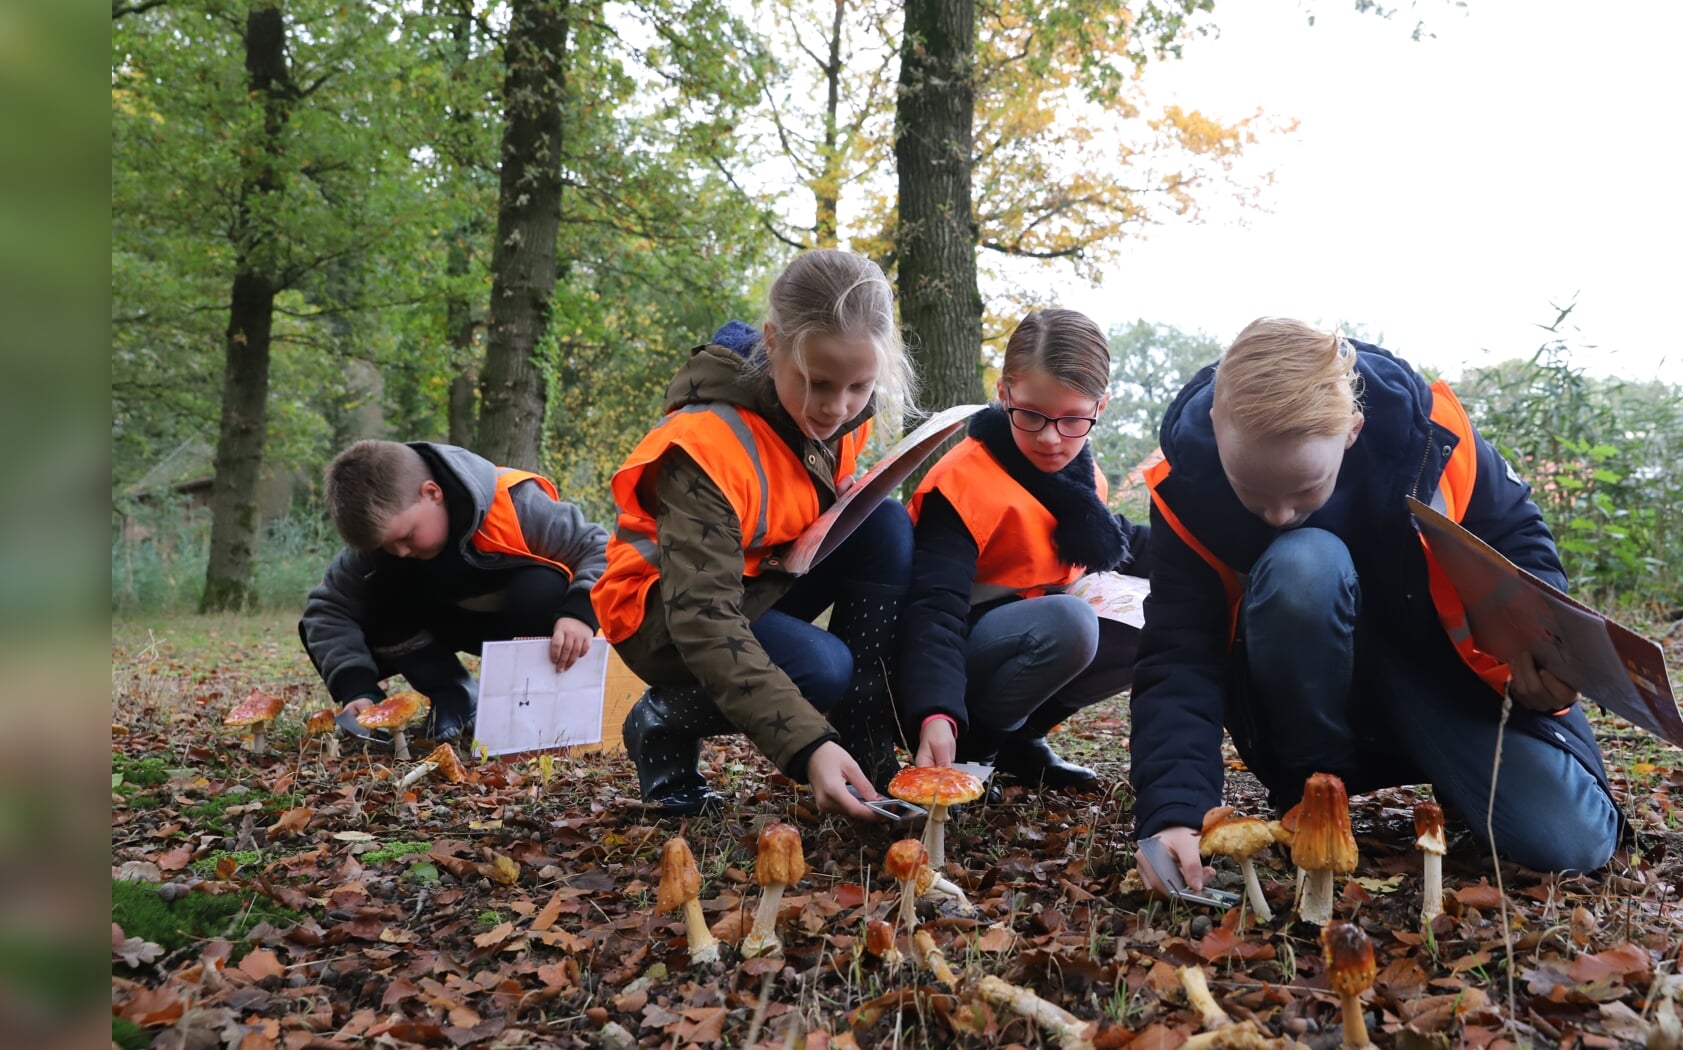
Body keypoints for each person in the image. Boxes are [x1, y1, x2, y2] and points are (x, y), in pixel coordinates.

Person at [1131, 317, 1621, 894]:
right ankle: (1313, 796)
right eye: (1254, 493)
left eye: (1305, 490)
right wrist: (1173, 812)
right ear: (1217, 427)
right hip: (1305, 700)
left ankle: (1451, 773)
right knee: (1303, 561)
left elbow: (1518, 538)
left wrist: (1545, 653)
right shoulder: (1186, 491)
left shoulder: (1433, 439)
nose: (1278, 515)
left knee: (1571, 843)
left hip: (1439, 681)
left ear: (1353, 431)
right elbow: (1179, 652)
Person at [593, 249, 917, 821]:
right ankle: (663, 718)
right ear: (772, 344)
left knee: (885, 523)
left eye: (858, 387)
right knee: (822, 666)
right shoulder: (705, 445)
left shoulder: (837, 420)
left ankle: (868, 753)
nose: (835, 408)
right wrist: (807, 745)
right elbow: (704, 618)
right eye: (817, 383)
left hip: (758, 576)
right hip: (665, 612)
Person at [898, 309, 1148, 789]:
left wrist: (1222, 557)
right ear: (1004, 393)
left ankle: (1021, 738)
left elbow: (1126, 541)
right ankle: (977, 744)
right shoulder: (963, 482)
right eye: (1031, 414)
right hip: (950, 663)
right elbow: (933, 609)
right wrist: (937, 711)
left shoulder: (1079, 478)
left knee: (1157, 613)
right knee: (1070, 621)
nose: (1051, 437)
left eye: (1073, 418)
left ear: (1102, 407)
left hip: (1022, 640)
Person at [301, 440, 609, 746]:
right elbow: (327, 608)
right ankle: (454, 697)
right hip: (443, 623)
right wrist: (356, 687)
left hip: (527, 622)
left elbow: (599, 547)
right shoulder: (389, 534)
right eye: (386, 545)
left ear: (432, 493)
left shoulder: (516, 504)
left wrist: (579, 612)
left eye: (407, 536)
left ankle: (534, 712)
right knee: (376, 589)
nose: (401, 551)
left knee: (541, 588)